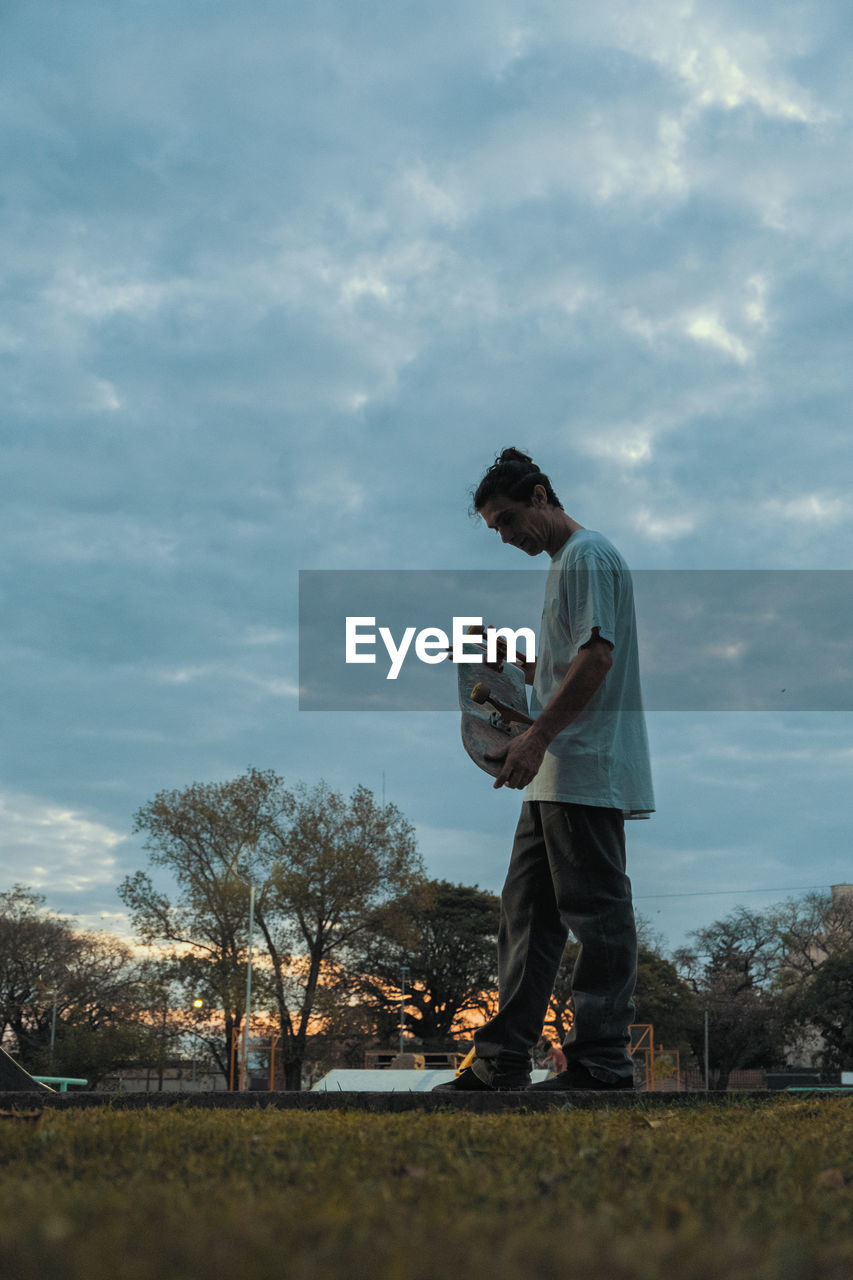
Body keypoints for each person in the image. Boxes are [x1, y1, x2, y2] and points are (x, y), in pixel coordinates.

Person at [435, 448, 654, 1092]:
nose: (505, 537)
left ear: (539, 497)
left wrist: (536, 738)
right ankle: (502, 1061)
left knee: (596, 913)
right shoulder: (567, 565)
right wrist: (518, 665)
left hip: (581, 766)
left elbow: (596, 660)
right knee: (527, 917)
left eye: (507, 520)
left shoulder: (587, 555)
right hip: (554, 772)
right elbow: (568, 664)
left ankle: (602, 1063)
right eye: (495, 529)